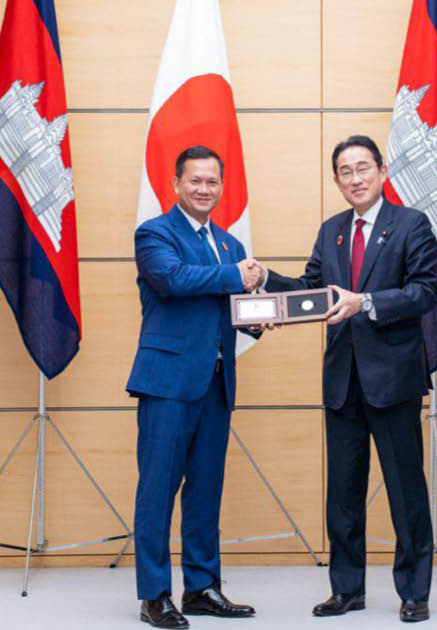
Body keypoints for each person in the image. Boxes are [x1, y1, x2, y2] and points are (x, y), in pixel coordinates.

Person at [259, 135, 437, 623]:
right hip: (342, 381)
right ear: (336, 180)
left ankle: (414, 591)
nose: (355, 178)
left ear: (382, 172)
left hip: (393, 380)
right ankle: (347, 590)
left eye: (363, 168)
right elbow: (310, 290)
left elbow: (424, 293)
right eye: (345, 171)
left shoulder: (411, 224)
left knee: (405, 489)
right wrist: (265, 283)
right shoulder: (331, 231)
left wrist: (367, 303)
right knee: (342, 493)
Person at [126, 145, 265, 629]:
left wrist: (257, 320)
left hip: (216, 383)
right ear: (176, 184)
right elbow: (173, 279)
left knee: (206, 489)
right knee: (158, 489)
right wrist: (235, 277)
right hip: (167, 383)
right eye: (195, 181)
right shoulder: (154, 233)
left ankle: (202, 588)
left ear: (222, 186)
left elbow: (229, 307)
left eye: (212, 181)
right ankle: (154, 595)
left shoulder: (228, 245)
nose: (204, 189)